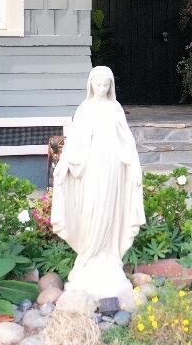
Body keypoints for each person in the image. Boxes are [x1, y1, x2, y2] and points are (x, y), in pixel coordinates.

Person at [50, 66, 145, 302]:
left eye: (106, 85)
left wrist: (134, 166)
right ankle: (88, 255)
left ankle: (108, 256)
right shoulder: (85, 108)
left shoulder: (115, 108)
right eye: (98, 84)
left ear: (110, 86)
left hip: (112, 164)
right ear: (91, 85)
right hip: (91, 165)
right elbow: (74, 141)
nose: (101, 88)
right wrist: (63, 164)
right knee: (91, 208)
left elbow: (127, 141)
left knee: (109, 209)